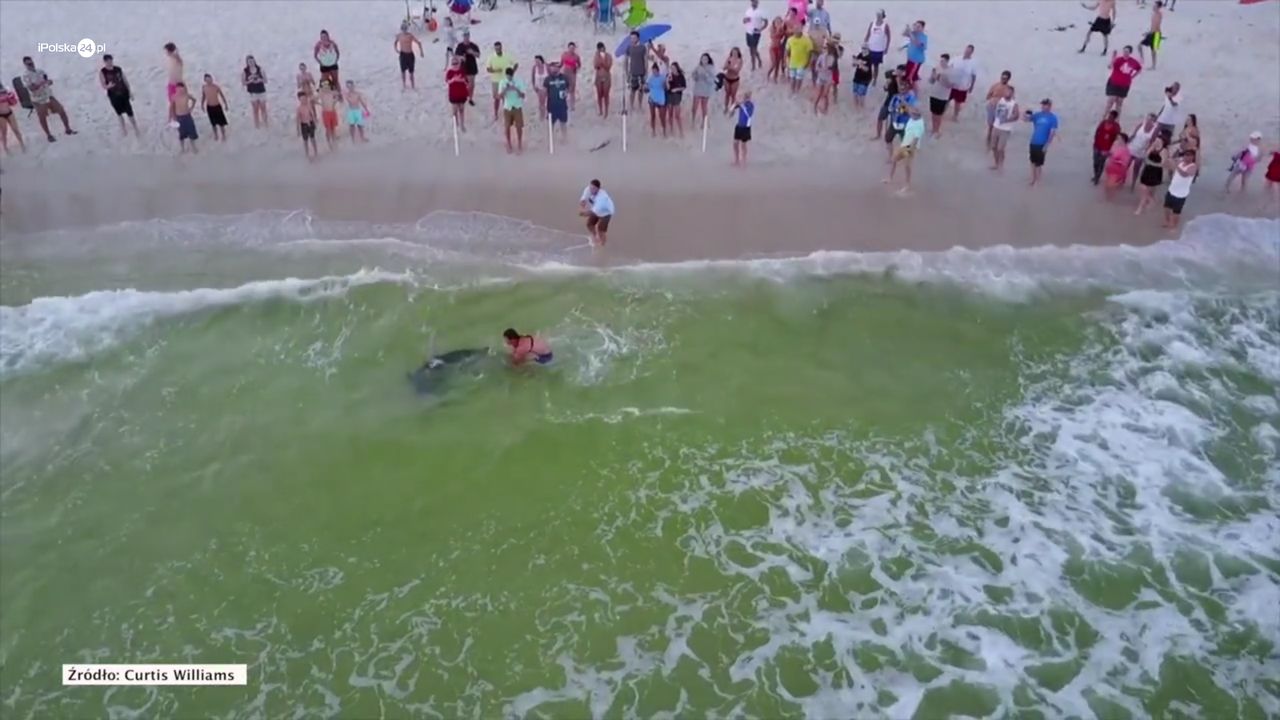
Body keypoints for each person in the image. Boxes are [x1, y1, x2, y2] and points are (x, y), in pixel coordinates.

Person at [20, 57, 76, 142]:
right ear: (25, 65)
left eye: (32, 63)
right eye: (29, 64)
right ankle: (48, 135)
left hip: (48, 95)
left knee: (61, 110)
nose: (31, 65)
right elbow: (31, 88)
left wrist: (49, 82)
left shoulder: (40, 71)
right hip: (38, 99)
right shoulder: (25, 76)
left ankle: (67, 129)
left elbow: (47, 80)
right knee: (42, 117)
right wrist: (41, 83)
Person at [885, 105, 925, 194]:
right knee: (893, 159)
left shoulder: (919, 125)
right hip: (904, 144)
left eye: (915, 114)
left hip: (910, 146)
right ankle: (889, 178)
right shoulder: (912, 117)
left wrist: (910, 149)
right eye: (913, 113)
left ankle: (907, 185)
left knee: (907, 166)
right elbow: (907, 109)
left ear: (919, 115)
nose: (913, 115)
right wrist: (898, 109)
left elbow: (916, 139)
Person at [99, 55, 138, 137]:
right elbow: (103, 85)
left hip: (124, 93)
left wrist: (130, 92)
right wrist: (108, 86)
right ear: (105, 62)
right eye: (107, 61)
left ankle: (135, 127)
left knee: (129, 111)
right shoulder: (103, 72)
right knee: (119, 113)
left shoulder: (118, 69)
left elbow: (125, 80)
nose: (109, 63)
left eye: (110, 61)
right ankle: (123, 129)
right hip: (114, 95)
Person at [1025, 98, 1059, 187]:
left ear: (1049, 106)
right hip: (1033, 141)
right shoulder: (1037, 115)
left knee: (1038, 164)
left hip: (1042, 143)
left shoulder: (1053, 118)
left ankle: (1038, 181)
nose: (1043, 107)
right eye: (1042, 105)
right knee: (1032, 161)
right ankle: (1033, 178)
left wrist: (1047, 145)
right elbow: (1027, 119)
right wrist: (1026, 114)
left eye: (1045, 105)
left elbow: (1052, 133)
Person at [1161, 149, 1196, 229]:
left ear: (1192, 157)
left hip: (1181, 194)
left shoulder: (1193, 166)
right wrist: (1167, 160)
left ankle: (1173, 226)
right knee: (1166, 207)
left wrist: (1176, 165)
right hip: (1171, 190)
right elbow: (1166, 166)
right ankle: (1167, 221)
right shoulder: (1180, 163)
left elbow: (1185, 174)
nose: (1186, 156)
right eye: (1185, 154)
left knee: (1176, 212)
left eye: (1189, 155)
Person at [1104, 46, 1142, 118]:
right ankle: (1104, 116)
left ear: (1130, 53)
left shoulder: (1133, 62)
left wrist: (1133, 76)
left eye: (1127, 51)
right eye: (1124, 51)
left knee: (1119, 103)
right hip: (1114, 82)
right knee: (1111, 100)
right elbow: (1110, 66)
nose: (1125, 53)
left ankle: (1117, 119)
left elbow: (1139, 69)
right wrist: (1113, 57)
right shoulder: (1118, 60)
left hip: (1125, 84)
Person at [884, 80, 916, 162]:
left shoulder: (911, 98)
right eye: (901, 88)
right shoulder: (895, 97)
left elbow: (910, 110)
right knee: (888, 139)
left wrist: (901, 106)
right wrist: (899, 109)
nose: (902, 89)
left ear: (908, 88)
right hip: (894, 123)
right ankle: (890, 156)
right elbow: (890, 108)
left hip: (904, 125)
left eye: (904, 88)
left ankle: (906, 157)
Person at [1126, 113, 1159, 190]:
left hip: (1141, 152)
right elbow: (1133, 135)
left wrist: (1147, 152)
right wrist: (1126, 141)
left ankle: (1133, 184)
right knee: (1126, 165)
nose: (1148, 120)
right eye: (1147, 118)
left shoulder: (1154, 130)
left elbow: (1152, 142)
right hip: (1132, 147)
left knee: (1136, 169)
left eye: (1150, 120)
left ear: (1154, 121)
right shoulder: (1141, 124)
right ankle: (1121, 179)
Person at [989, 84, 1018, 171]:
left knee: (1000, 148)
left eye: (1009, 92)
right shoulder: (1000, 100)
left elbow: (1016, 116)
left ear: (1012, 93)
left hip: (1005, 129)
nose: (1007, 93)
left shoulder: (1014, 104)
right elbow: (994, 107)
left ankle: (1001, 165)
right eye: (1006, 91)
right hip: (996, 126)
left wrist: (1007, 120)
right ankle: (996, 163)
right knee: (993, 147)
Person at [578, 179, 614, 246]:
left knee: (600, 229)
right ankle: (595, 237)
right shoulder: (588, 189)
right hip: (595, 209)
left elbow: (592, 212)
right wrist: (583, 201)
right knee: (589, 224)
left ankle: (602, 244)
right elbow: (584, 197)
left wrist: (582, 213)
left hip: (606, 212)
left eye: (593, 188)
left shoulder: (602, 198)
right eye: (590, 187)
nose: (591, 190)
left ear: (598, 189)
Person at [1134, 137, 1165, 214]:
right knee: (1143, 188)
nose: (1156, 141)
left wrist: (1151, 163)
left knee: (1147, 190)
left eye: (1158, 140)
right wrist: (1151, 147)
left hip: (1155, 172)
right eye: (1156, 140)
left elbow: (1162, 164)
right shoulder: (1152, 148)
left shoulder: (1164, 150)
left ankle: (1140, 208)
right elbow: (1145, 157)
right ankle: (1151, 201)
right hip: (1147, 170)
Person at [487, 41, 516, 122]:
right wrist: (495, 70)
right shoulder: (491, 57)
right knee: (497, 99)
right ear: (495, 49)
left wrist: (512, 73)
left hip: (505, 80)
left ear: (501, 48)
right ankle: (495, 113)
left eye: (499, 48)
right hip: (495, 81)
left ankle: (507, 115)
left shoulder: (507, 55)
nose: (498, 50)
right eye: (496, 48)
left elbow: (516, 64)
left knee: (506, 98)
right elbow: (488, 69)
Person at [499, 67, 526, 154]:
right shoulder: (502, 82)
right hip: (507, 107)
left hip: (517, 106)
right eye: (507, 76)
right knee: (507, 127)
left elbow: (523, 95)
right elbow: (499, 96)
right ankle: (509, 144)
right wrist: (505, 89)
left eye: (510, 76)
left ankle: (519, 143)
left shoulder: (519, 81)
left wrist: (515, 89)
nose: (509, 78)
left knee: (519, 127)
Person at [948, 45, 978, 121]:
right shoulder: (957, 58)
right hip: (953, 84)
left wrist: (972, 86)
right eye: (967, 50)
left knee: (958, 102)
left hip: (963, 86)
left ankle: (955, 116)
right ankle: (942, 112)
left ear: (972, 52)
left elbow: (973, 75)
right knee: (947, 99)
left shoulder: (973, 63)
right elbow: (949, 67)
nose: (967, 52)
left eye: (969, 51)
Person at [1092, 110, 1123, 185]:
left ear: (1114, 118)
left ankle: (1097, 178)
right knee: (1095, 162)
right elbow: (1097, 132)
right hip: (1097, 145)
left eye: (1111, 117)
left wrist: (1111, 150)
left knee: (1101, 163)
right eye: (1109, 116)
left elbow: (1117, 139)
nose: (1109, 118)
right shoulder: (1103, 122)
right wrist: (1094, 143)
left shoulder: (1116, 127)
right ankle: (1096, 174)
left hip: (1106, 149)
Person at [984, 70, 1012, 149]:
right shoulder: (995, 85)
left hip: (1001, 109)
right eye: (1002, 77)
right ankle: (988, 142)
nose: (1003, 79)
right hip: (992, 107)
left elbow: (1011, 100)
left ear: (1008, 79)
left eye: (1005, 78)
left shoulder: (1009, 89)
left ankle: (995, 143)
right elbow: (988, 96)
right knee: (990, 126)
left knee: (998, 127)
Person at [926, 54, 952, 137]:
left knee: (939, 114)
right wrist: (932, 76)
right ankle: (933, 129)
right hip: (934, 93)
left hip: (943, 96)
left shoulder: (950, 71)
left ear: (947, 61)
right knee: (933, 113)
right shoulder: (937, 68)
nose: (941, 62)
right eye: (940, 61)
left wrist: (938, 77)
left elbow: (949, 85)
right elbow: (931, 81)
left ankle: (937, 130)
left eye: (943, 61)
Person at [544, 61, 570, 142]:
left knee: (563, 122)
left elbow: (568, 88)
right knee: (551, 123)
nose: (554, 69)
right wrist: (544, 105)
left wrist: (566, 93)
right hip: (551, 105)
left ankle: (564, 138)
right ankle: (551, 139)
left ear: (559, 68)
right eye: (552, 67)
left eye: (555, 67)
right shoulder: (547, 79)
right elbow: (545, 92)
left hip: (562, 105)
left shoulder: (564, 77)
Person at [1103, 132, 1133, 200]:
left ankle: (1110, 198)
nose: (1116, 139)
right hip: (1110, 168)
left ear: (1123, 139)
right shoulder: (1115, 146)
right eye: (1116, 138)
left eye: (1118, 138)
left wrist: (1116, 161)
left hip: (1117, 170)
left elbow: (1125, 163)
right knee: (1107, 184)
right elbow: (1111, 154)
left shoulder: (1126, 150)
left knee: (1110, 185)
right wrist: (1107, 154)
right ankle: (1108, 197)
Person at [201, 74, 230, 142]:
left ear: (212, 79)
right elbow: (203, 96)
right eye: (207, 80)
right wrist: (202, 104)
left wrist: (226, 104)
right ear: (205, 80)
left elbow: (222, 96)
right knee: (213, 123)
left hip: (217, 106)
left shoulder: (216, 87)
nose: (209, 81)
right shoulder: (204, 87)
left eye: (210, 79)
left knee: (221, 123)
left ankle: (223, 135)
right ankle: (216, 134)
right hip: (210, 107)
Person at [864, 9, 891, 80]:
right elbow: (868, 34)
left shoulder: (885, 25)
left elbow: (889, 37)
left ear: (883, 16)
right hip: (870, 47)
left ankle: (875, 78)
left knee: (876, 65)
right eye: (877, 14)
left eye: (880, 15)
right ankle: (869, 76)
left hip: (879, 49)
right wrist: (865, 43)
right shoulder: (872, 23)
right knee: (868, 63)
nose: (878, 16)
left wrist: (887, 48)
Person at [0, 83, 27, 154]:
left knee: (15, 129)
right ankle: (5, 148)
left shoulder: (4, 89)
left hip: (9, 112)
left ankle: (22, 144)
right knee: (4, 131)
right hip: (1, 115)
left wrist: (10, 97)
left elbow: (13, 102)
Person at [396, 23, 424, 90]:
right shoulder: (399, 36)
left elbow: (419, 43)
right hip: (403, 55)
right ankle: (404, 85)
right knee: (403, 71)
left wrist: (421, 52)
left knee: (411, 72)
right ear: (401, 29)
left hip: (410, 55)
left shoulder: (410, 36)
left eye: (405, 29)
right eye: (403, 29)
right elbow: (395, 43)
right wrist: (396, 50)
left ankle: (413, 86)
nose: (404, 30)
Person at [242, 56, 269, 128]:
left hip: (261, 91)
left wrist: (260, 80)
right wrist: (250, 81)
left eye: (252, 61)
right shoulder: (245, 71)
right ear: (247, 63)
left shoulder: (260, 69)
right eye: (249, 61)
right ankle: (257, 125)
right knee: (255, 109)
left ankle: (265, 123)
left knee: (263, 108)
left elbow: (266, 80)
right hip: (252, 92)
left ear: (254, 61)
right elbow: (243, 83)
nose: (251, 63)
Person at [625, 32, 649, 111]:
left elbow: (645, 60)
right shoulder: (629, 48)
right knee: (632, 90)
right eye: (631, 38)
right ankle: (631, 106)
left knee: (641, 90)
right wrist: (626, 72)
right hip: (632, 72)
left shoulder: (643, 47)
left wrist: (646, 72)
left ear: (638, 38)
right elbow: (626, 60)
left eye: (634, 38)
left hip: (641, 71)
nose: (632, 39)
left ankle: (640, 105)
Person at [786, 27, 814, 95]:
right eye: (795, 32)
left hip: (802, 63)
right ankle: (792, 90)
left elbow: (810, 52)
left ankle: (797, 91)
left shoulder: (807, 40)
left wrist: (808, 62)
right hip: (792, 63)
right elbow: (787, 51)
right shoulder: (790, 39)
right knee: (792, 78)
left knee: (799, 78)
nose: (796, 33)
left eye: (797, 32)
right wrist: (787, 61)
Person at [456, 31, 481, 105]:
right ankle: (463, 96)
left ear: (469, 36)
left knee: (471, 84)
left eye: (467, 36)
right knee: (462, 84)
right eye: (464, 36)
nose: (466, 37)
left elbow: (478, 55)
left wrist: (472, 52)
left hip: (472, 66)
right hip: (462, 67)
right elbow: (456, 55)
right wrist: (461, 57)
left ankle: (470, 98)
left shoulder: (473, 45)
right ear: (463, 36)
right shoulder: (460, 46)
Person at [172, 82, 198, 154]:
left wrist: (191, 108)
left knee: (191, 131)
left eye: (181, 89)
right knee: (181, 134)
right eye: (178, 89)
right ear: (176, 89)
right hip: (179, 117)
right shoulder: (174, 97)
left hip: (187, 115)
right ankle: (182, 148)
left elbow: (194, 100)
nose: (180, 90)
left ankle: (193, 146)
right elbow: (172, 108)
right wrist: (174, 117)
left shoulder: (186, 95)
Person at [731, 91, 755, 167]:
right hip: (739, 126)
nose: (746, 98)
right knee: (735, 143)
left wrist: (742, 105)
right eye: (745, 96)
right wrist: (734, 105)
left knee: (743, 144)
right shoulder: (742, 104)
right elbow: (732, 109)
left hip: (746, 127)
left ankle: (744, 160)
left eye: (747, 96)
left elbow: (749, 115)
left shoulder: (751, 105)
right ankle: (736, 160)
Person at [446, 56, 470, 133]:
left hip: (462, 93)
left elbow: (467, 82)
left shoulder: (462, 71)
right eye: (453, 63)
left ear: (459, 64)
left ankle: (462, 124)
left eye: (456, 63)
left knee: (462, 109)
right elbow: (447, 81)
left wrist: (461, 80)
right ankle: (456, 124)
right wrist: (454, 80)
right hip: (453, 94)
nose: (455, 65)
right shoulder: (449, 72)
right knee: (454, 110)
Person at [743, 0, 768, 72]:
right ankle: (759, 60)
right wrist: (745, 20)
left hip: (756, 33)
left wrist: (761, 29)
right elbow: (744, 21)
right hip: (748, 32)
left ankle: (753, 65)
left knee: (753, 49)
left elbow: (766, 22)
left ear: (757, 2)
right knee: (751, 48)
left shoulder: (761, 12)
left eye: (755, 2)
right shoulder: (748, 11)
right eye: (752, 2)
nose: (753, 3)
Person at [691, 54, 715, 128]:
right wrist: (696, 77)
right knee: (694, 106)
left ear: (708, 60)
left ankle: (704, 123)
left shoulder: (711, 68)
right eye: (702, 59)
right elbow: (693, 75)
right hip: (698, 88)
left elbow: (712, 80)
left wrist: (706, 76)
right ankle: (693, 121)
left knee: (704, 107)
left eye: (705, 59)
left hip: (706, 89)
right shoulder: (698, 67)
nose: (704, 60)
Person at [1139, 1, 1165, 70]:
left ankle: (1153, 65)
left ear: (1158, 7)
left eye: (1155, 6)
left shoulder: (1159, 15)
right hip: (1153, 33)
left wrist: (1148, 33)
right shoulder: (1154, 14)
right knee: (1140, 46)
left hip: (1156, 34)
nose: (1153, 7)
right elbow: (1153, 26)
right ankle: (1143, 60)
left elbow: (1156, 26)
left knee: (1153, 50)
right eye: (1154, 5)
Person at [163, 42, 184, 127]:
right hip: (171, 84)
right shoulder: (171, 59)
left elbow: (179, 59)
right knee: (172, 103)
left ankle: (173, 119)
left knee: (175, 103)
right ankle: (171, 119)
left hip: (177, 85)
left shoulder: (177, 59)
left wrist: (175, 52)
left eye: (166, 51)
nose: (166, 53)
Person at [645, 62, 668, 138]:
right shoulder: (650, 78)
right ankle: (653, 131)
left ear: (658, 71)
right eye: (653, 71)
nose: (654, 72)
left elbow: (666, 88)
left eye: (655, 71)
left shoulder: (662, 77)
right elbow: (647, 88)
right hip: (652, 99)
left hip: (661, 99)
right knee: (653, 116)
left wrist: (664, 84)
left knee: (662, 116)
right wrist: (645, 87)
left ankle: (664, 130)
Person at [813, 44, 836, 115]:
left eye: (827, 48)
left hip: (828, 78)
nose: (827, 50)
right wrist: (820, 69)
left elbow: (831, 68)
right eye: (825, 48)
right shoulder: (821, 56)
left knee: (825, 95)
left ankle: (825, 109)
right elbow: (816, 67)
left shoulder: (832, 58)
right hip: (821, 76)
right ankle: (815, 107)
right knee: (819, 94)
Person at [902, 20, 928, 85]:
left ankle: (911, 88)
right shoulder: (914, 33)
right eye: (915, 25)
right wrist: (907, 29)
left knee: (910, 77)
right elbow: (904, 34)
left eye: (918, 26)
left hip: (915, 61)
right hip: (910, 59)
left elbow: (917, 43)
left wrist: (910, 33)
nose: (916, 27)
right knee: (907, 73)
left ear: (922, 28)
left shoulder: (923, 37)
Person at [296, 91, 319, 160]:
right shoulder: (299, 108)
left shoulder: (309, 106)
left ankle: (316, 152)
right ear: (299, 100)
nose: (304, 100)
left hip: (310, 123)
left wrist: (315, 123)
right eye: (302, 99)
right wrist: (298, 129)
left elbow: (312, 115)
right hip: (304, 125)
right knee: (305, 140)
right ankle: (307, 154)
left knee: (313, 139)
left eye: (305, 99)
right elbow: (298, 120)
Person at [666, 62, 686, 138]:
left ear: (677, 68)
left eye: (673, 68)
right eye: (671, 68)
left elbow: (684, 87)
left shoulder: (681, 76)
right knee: (670, 114)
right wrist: (667, 81)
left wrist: (676, 89)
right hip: (670, 95)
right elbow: (667, 88)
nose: (672, 69)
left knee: (677, 115)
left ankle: (681, 131)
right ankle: (671, 130)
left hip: (677, 96)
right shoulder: (669, 75)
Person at [592, 43, 613, 118]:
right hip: (598, 77)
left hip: (606, 77)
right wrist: (598, 58)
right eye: (600, 49)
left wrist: (602, 63)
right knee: (599, 95)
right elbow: (595, 66)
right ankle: (601, 110)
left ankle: (606, 111)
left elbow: (608, 67)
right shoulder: (596, 56)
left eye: (603, 48)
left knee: (606, 94)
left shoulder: (609, 56)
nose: (602, 50)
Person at [851, 44, 874, 110]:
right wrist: (855, 62)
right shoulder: (860, 54)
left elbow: (867, 69)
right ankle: (856, 107)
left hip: (865, 78)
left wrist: (860, 64)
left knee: (861, 94)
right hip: (857, 76)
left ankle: (861, 108)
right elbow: (854, 64)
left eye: (865, 48)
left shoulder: (869, 57)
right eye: (862, 48)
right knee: (855, 93)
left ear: (868, 49)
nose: (863, 49)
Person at [561, 42, 582, 112]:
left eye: (573, 48)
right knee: (565, 89)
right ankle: (564, 104)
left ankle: (572, 105)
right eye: (570, 48)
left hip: (572, 74)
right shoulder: (564, 55)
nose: (572, 49)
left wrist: (576, 69)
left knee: (572, 90)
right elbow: (561, 64)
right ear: (568, 48)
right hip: (565, 73)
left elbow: (579, 65)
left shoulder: (576, 56)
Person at [722, 48, 743, 114]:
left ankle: (732, 108)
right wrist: (728, 66)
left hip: (735, 80)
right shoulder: (729, 58)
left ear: (738, 53)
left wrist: (730, 68)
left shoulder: (740, 60)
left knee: (733, 95)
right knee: (727, 94)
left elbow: (737, 71)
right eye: (733, 52)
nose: (734, 54)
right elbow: (724, 68)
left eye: (735, 53)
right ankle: (726, 107)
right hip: (727, 78)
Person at [767, 17, 787, 83]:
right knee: (773, 64)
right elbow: (773, 36)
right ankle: (768, 74)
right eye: (777, 22)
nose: (778, 23)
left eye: (779, 22)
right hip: (772, 48)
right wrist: (778, 30)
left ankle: (775, 78)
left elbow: (785, 35)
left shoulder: (781, 29)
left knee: (778, 64)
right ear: (774, 22)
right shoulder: (772, 28)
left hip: (779, 47)